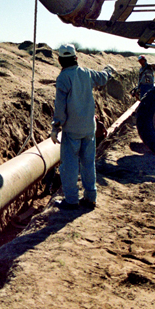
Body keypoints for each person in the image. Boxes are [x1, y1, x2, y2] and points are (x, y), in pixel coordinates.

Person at [50, 44, 115, 210]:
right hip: (89, 129)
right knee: (88, 163)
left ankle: (71, 200)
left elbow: (60, 106)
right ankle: (90, 197)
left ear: (60, 60)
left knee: (70, 166)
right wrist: (108, 69)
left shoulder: (63, 77)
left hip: (72, 130)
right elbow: (103, 77)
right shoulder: (86, 73)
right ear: (76, 58)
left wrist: (56, 126)